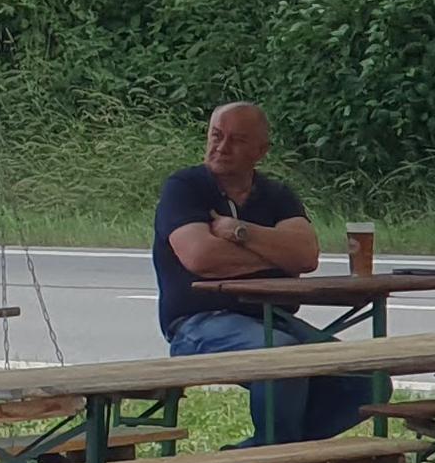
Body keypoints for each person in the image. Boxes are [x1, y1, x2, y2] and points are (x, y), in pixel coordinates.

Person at [155, 101, 369, 443]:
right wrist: (276, 255)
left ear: (261, 151)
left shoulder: (277, 194)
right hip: (198, 323)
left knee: (369, 378)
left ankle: (256, 462)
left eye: (237, 140)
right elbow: (201, 258)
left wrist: (242, 232)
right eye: (216, 135)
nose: (222, 147)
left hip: (273, 318)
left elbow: (306, 255)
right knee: (283, 359)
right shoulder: (185, 187)